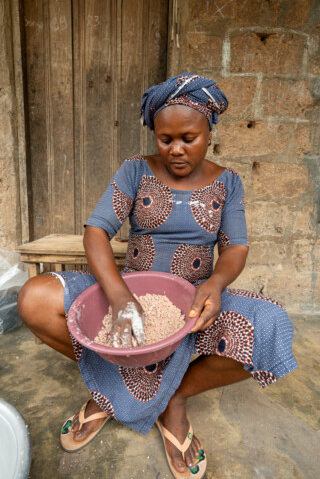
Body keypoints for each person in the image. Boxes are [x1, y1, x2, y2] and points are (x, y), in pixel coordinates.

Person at [18, 72, 297, 479]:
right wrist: (118, 297)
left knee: (273, 326)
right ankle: (112, 389)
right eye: (166, 140)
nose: (177, 150)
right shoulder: (135, 170)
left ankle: (173, 399)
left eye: (189, 138)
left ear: (209, 130)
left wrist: (215, 285)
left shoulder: (228, 183)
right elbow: (96, 231)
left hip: (193, 306)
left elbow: (235, 247)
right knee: (32, 299)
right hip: (129, 296)